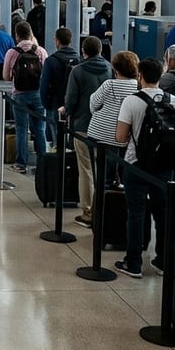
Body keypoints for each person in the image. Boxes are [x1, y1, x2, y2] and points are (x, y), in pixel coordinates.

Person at [113, 57, 175, 279]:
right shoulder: (172, 100)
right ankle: (163, 261)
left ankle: (133, 262)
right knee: (163, 214)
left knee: (136, 214)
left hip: (136, 165)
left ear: (140, 76)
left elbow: (120, 136)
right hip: (165, 167)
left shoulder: (132, 101)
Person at [61, 36, 112, 228]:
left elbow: (71, 100)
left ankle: (88, 212)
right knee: (100, 168)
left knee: (86, 170)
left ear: (84, 51)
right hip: (105, 127)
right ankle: (101, 208)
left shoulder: (78, 71)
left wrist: (67, 113)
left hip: (83, 126)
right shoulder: (109, 69)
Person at [2, 21, 48, 174]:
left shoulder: (12, 52)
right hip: (39, 94)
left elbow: (6, 77)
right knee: (40, 129)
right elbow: (45, 76)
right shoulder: (41, 51)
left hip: (19, 95)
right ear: (30, 33)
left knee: (22, 129)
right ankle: (43, 163)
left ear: (17, 35)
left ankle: (21, 164)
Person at [39, 27, 78, 147]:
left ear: (57, 41)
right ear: (70, 40)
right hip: (73, 105)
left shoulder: (51, 61)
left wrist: (46, 104)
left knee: (56, 137)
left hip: (55, 103)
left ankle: (57, 162)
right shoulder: (78, 60)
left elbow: (44, 85)